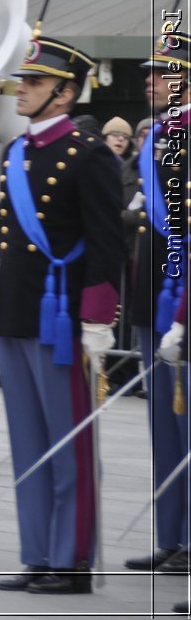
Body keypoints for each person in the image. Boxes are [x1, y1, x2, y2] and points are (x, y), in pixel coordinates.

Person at [0, 32, 124, 596]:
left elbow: (105, 239)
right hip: (20, 311)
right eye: (23, 80)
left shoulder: (88, 154)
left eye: (36, 82)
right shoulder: (18, 151)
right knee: (27, 440)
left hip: (62, 316)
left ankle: (70, 559)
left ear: (66, 94)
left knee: (67, 443)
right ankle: (38, 551)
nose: (23, 90)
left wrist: (98, 316)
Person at [124, 30, 190, 576]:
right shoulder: (158, 138)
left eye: (161, 71)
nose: (149, 79)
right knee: (162, 429)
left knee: (187, 423)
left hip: (184, 294)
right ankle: (171, 537)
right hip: (154, 289)